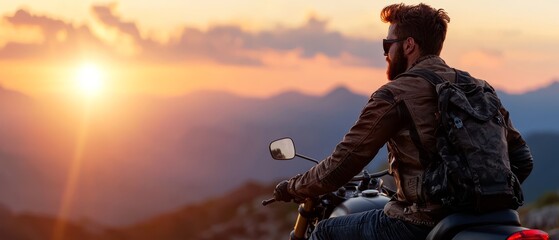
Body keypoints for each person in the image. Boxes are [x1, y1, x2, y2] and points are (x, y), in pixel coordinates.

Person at [272, 3, 534, 240]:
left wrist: (293, 187)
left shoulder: (395, 94)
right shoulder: (479, 88)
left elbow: (342, 164)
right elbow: (522, 160)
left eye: (388, 45)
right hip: (499, 217)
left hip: (421, 222)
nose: (386, 54)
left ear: (409, 45)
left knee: (325, 231)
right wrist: (480, 198)